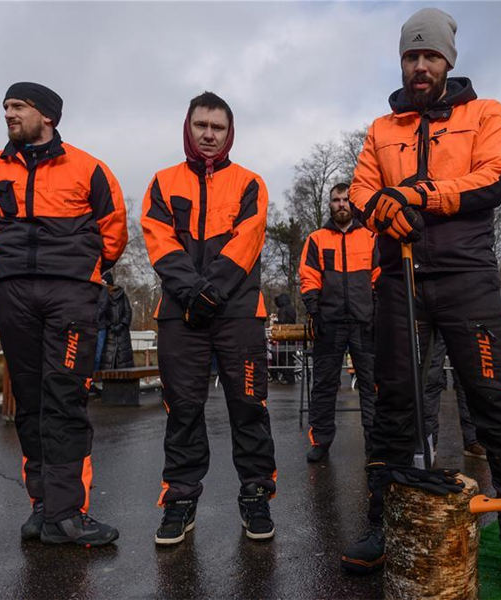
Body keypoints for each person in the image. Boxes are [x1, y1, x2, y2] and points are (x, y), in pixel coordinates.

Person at [341, 9, 501, 598]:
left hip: (467, 277)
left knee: (495, 403)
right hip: (398, 278)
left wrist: (419, 195)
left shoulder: (485, 113)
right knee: (394, 405)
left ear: (448, 60)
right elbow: (360, 189)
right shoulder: (382, 127)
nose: (419, 66)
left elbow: (493, 179)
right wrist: (383, 208)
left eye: (429, 56)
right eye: (411, 56)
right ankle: (384, 522)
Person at [0, 82, 127, 546]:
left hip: (71, 294)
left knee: (65, 397)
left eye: (18, 106)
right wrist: (10, 260)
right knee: (31, 401)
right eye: (5, 107)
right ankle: (42, 507)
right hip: (13, 291)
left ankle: (68, 512)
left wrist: (87, 267)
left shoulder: (88, 167)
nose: (8, 114)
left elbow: (112, 227)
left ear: (48, 115)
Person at [141, 92, 277, 545]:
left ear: (229, 132)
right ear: (188, 126)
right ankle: (179, 500)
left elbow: (248, 239)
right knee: (182, 409)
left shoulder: (250, 183)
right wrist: (192, 292)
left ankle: (256, 494)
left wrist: (212, 291)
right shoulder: (162, 182)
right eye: (201, 125)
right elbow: (158, 241)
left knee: (249, 406)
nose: (209, 134)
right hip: (180, 316)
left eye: (217, 127)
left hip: (238, 312)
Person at [299, 183, 380, 461]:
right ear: (330, 203)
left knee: (372, 384)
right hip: (330, 323)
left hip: (364, 322)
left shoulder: (370, 237)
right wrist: (314, 311)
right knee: (324, 385)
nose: (342, 204)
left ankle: (375, 440)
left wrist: (377, 310)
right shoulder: (317, 239)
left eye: (346, 199)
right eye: (336, 200)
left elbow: (379, 276)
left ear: (352, 203)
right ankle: (320, 440)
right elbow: (309, 277)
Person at [423, 330, 486, 458]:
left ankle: (472, 441)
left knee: (466, 383)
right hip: (436, 324)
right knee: (431, 382)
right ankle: (429, 442)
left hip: (457, 322)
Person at [98, 272, 135, 370]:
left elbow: (128, 312)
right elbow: (102, 313)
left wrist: (121, 325)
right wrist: (110, 325)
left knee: (123, 362)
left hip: (121, 332)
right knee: (108, 361)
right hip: (109, 332)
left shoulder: (122, 295)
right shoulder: (102, 296)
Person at [271, 294, 297, 385]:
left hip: (284, 337)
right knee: (288, 358)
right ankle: (290, 377)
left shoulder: (283, 310)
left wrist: (275, 321)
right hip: (292, 337)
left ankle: (287, 377)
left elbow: (282, 322)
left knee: (283, 358)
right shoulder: (291, 309)